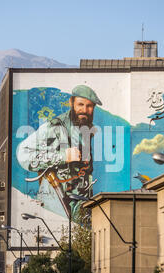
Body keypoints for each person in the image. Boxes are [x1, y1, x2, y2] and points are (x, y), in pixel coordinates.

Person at [17, 85, 102, 219]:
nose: (84, 110)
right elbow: (23, 154)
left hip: (79, 204)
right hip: (56, 203)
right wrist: (63, 156)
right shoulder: (54, 127)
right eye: (80, 104)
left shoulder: (87, 129)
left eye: (89, 106)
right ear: (71, 103)